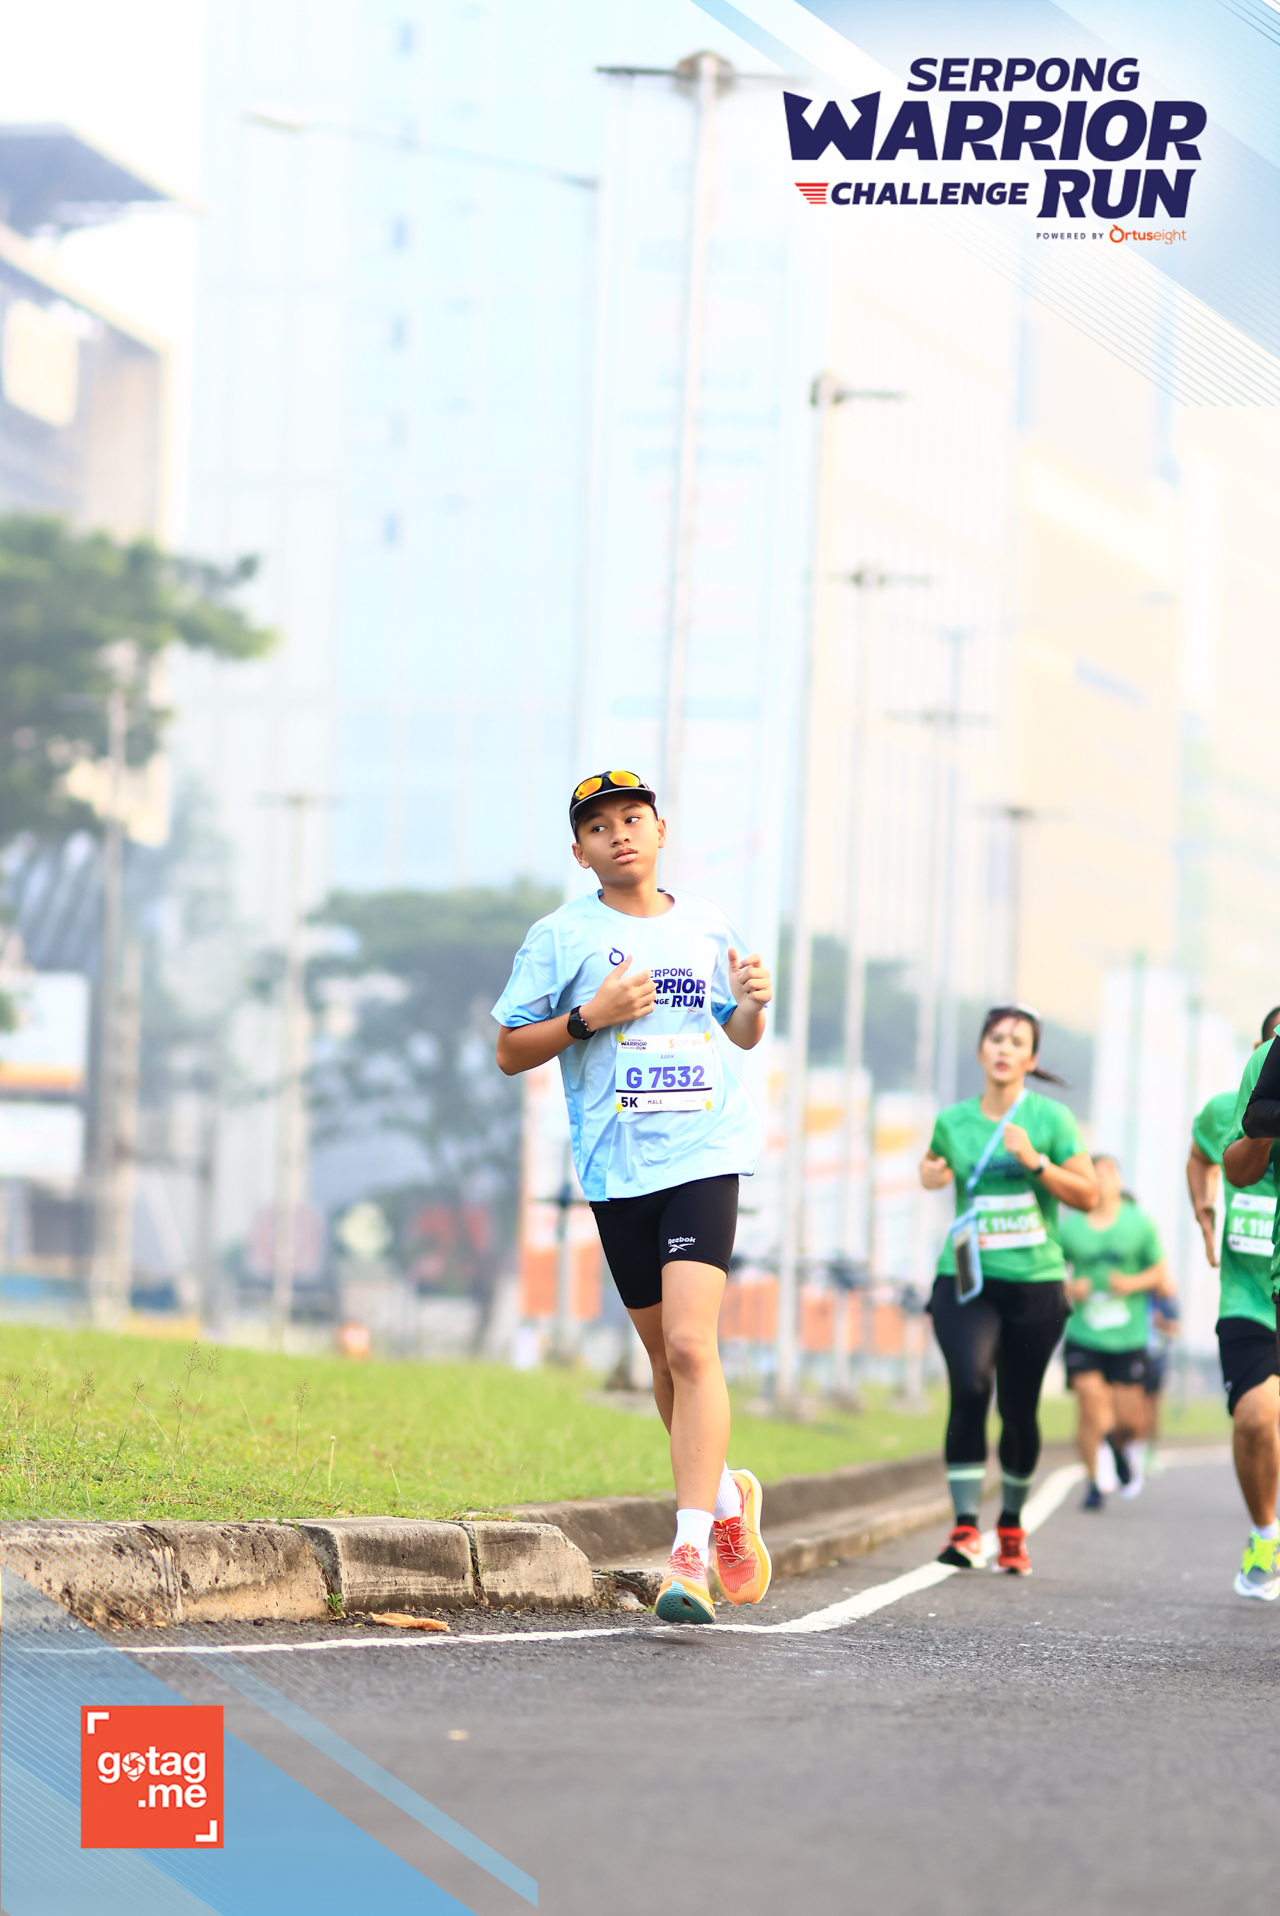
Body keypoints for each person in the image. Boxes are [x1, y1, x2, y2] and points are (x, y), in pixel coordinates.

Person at [493, 770, 774, 1626]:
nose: (619, 833)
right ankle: (726, 1499)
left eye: (633, 818)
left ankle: (688, 1551)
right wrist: (591, 1015)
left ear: (660, 831)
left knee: (692, 1345)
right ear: (581, 852)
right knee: (662, 1362)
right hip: (618, 1170)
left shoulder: (706, 924)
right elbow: (509, 1050)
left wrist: (753, 1007)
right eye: (599, 827)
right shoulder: (560, 936)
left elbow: (737, 1032)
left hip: (704, 1152)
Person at [920, 1005, 1098, 1575]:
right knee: (970, 1384)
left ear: (1031, 1058)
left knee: (1018, 1407)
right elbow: (935, 1166)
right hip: (966, 1278)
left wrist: (1036, 1162)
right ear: (981, 1050)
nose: (1004, 1048)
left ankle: (1012, 1524)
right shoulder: (952, 1121)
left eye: (1017, 1041)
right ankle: (965, 1526)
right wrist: (931, 1173)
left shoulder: (1051, 1119)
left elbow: (1088, 1195)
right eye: (995, 1038)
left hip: (1035, 1284)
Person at [1210, 1006, 1280, 1598]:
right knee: (1257, 1417)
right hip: (1249, 1290)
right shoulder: (1266, 1064)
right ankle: (1265, 1533)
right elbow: (1225, 1165)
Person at [1060, 1158, 1168, 1509]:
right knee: (1090, 1401)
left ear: (1119, 1179)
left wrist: (1131, 1283)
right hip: (1084, 1331)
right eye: (1095, 1173)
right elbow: (1049, 1269)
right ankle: (1093, 1481)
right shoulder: (1070, 1228)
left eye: (1108, 1173)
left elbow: (1161, 1274)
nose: (1102, 1179)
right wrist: (1068, 1286)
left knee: (1132, 1420)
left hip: (1128, 1336)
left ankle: (1118, 1444)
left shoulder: (1139, 1224)